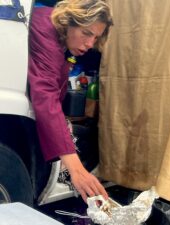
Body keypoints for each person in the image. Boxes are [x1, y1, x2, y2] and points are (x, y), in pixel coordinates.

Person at [28, 0, 113, 202]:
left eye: (96, 37)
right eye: (86, 33)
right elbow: (46, 94)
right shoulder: (46, 27)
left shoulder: (64, 42)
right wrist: (76, 168)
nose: (91, 44)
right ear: (68, 22)